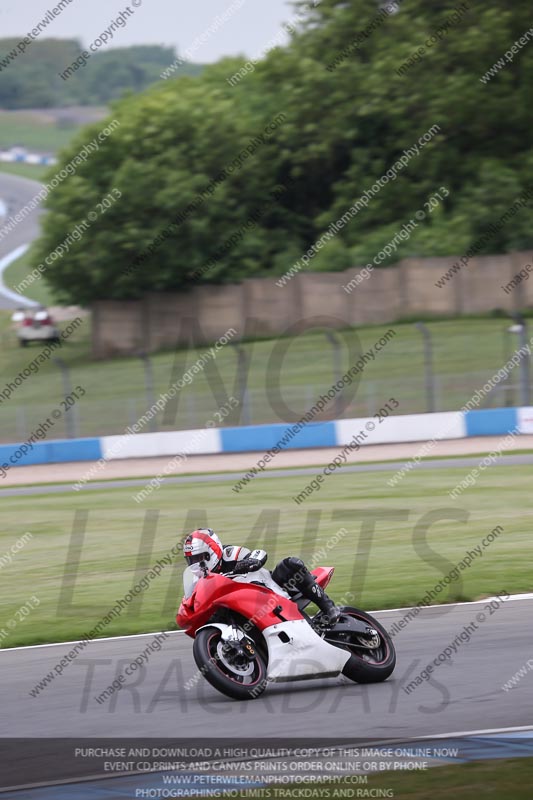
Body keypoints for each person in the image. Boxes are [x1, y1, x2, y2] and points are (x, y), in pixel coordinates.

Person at [183, 527, 340, 625]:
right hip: (245, 611)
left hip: (272, 592)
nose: (196, 564)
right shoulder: (199, 580)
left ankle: (329, 608)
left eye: (199, 558)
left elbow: (259, 554)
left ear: (212, 551)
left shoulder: (229, 554)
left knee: (290, 565)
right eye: (192, 560)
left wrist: (247, 563)